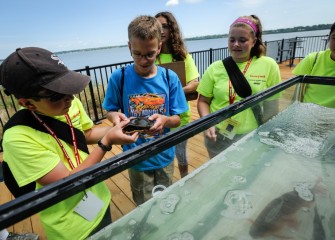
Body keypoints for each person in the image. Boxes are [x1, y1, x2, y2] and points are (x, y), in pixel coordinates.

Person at [0, 47, 138, 240]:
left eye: (69, 89)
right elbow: (65, 184)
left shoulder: (69, 105)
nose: (70, 99)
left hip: (97, 196)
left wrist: (119, 127)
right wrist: (106, 143)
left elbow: (87, 133)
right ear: (28, 104)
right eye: (57, 95)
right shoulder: (18, 137)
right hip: (69, 225)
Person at [102, 15, 188, 205]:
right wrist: (115, 116)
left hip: (164, 155)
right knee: (143, 204)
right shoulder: (119, 77)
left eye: (149, 54)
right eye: (137, 53)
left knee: (166, 201)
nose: (143, 60)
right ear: (129, 48)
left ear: (159, 47)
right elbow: (110, 110)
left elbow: (177, 119)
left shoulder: (169, 78)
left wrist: (165, 120)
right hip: (135, 158)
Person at [197, 15, 281, 159]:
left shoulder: (269, 65)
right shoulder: (215, 68)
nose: (236, 44)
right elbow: (203, 100)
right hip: (218, 134)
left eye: (242, 40)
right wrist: (208, 123)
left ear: (254, 41)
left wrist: (267, 133)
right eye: (232, 40)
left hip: (252, 134)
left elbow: (271, 105)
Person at [155, 11, 199, 178]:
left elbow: (194, 83)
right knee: (162, 155)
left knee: (181, 153)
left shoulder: (182, 56)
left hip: (180, 115)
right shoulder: (151, 55)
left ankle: (185, 180)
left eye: (165, 26)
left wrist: (171, 92)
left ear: (172, 29)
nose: (161, 30)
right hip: (157, 116)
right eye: (157, 27)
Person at [292, 22, 335, 108]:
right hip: (309, 113)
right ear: (329, 38)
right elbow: (296, 90)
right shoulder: (313, 59)